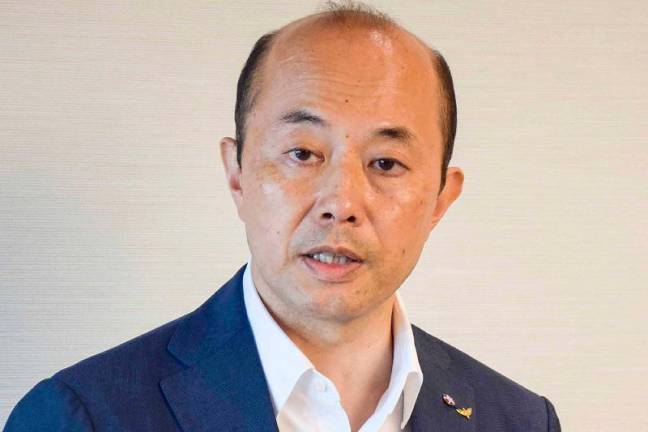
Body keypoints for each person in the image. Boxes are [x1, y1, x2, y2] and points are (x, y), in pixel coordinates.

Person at [4, 2, 561, 431]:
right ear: (238, 173)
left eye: (386, 162)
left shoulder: (517, 420)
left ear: (441, 198)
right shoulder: (84, 415)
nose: (341, 203)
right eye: (302, 153)